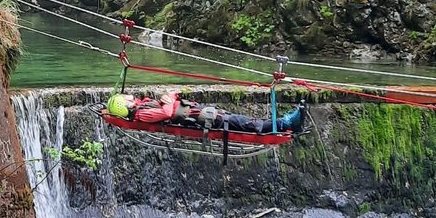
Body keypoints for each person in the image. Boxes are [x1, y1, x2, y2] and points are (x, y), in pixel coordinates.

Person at [106, 92, 305, 133]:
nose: (128, 95)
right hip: (196, 119)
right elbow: (166, 113)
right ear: (126, 106)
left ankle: (283, 122)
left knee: (240, 120)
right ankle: (286, 123)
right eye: (125, 98)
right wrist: (170, 99)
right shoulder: (141, 114)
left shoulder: (142, 106)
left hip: (196, 113)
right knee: (243, 124)